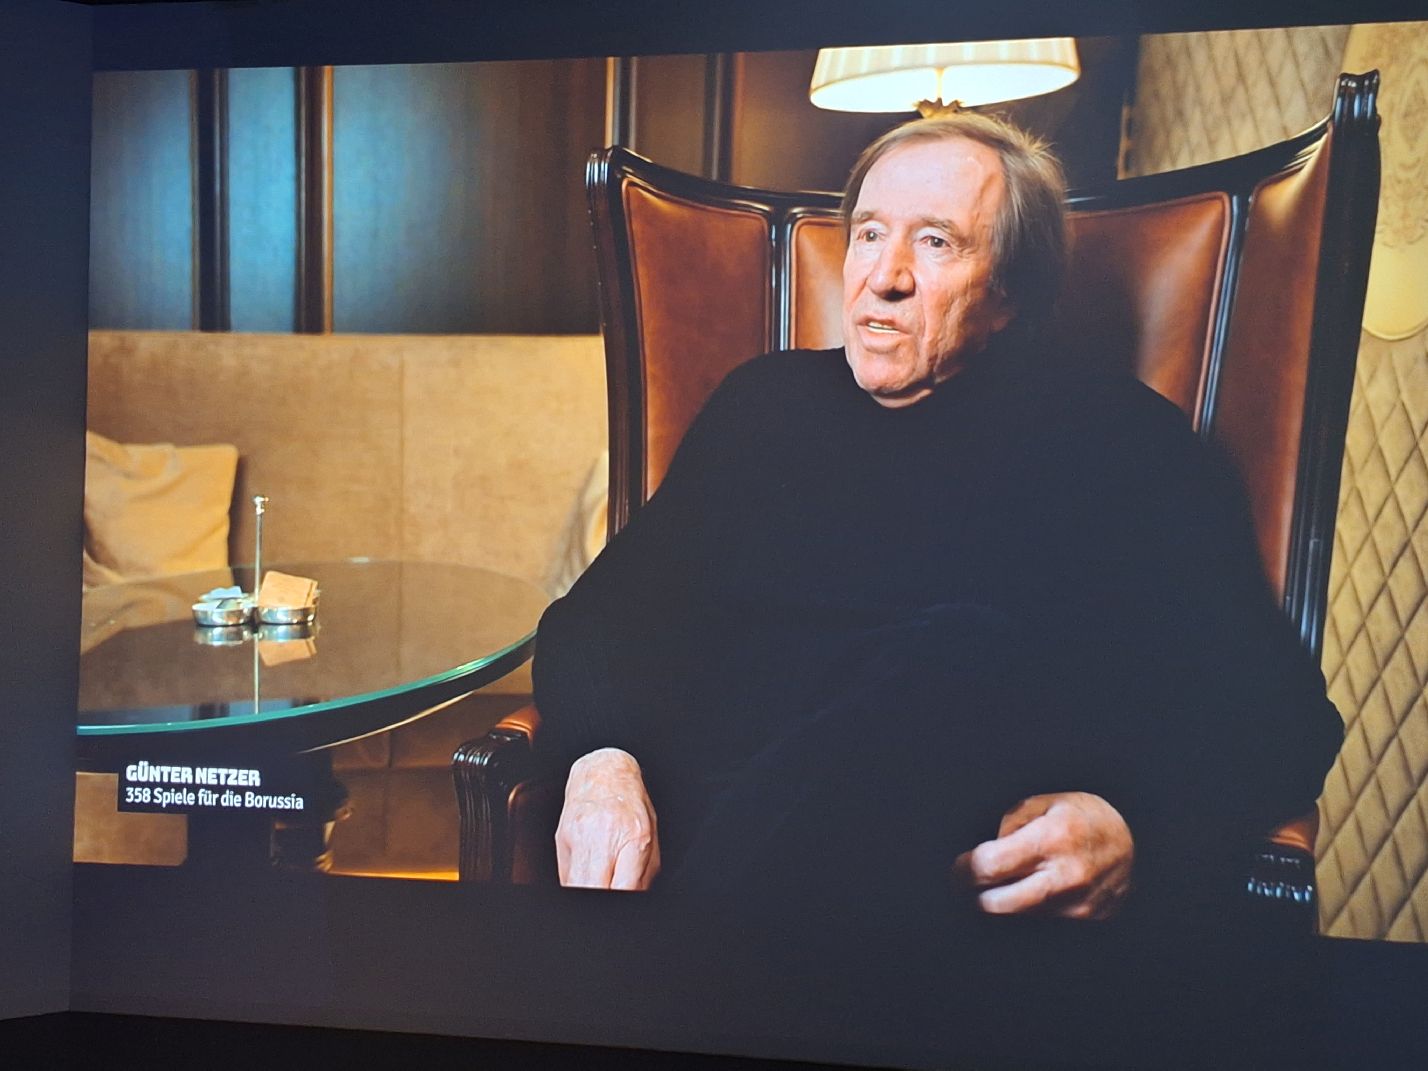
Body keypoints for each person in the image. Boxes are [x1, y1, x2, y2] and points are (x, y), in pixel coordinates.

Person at [531, 112, 1343, 931]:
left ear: (1009, 293)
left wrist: (1138, 826)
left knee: (961, 649)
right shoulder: (761, 406)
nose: (883, 276)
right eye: (868, 233)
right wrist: (604, 763)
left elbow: (1278, 710)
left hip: (949, 912)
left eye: (935, 242)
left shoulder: (1126, 441)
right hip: (704, 848)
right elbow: (602, 618)